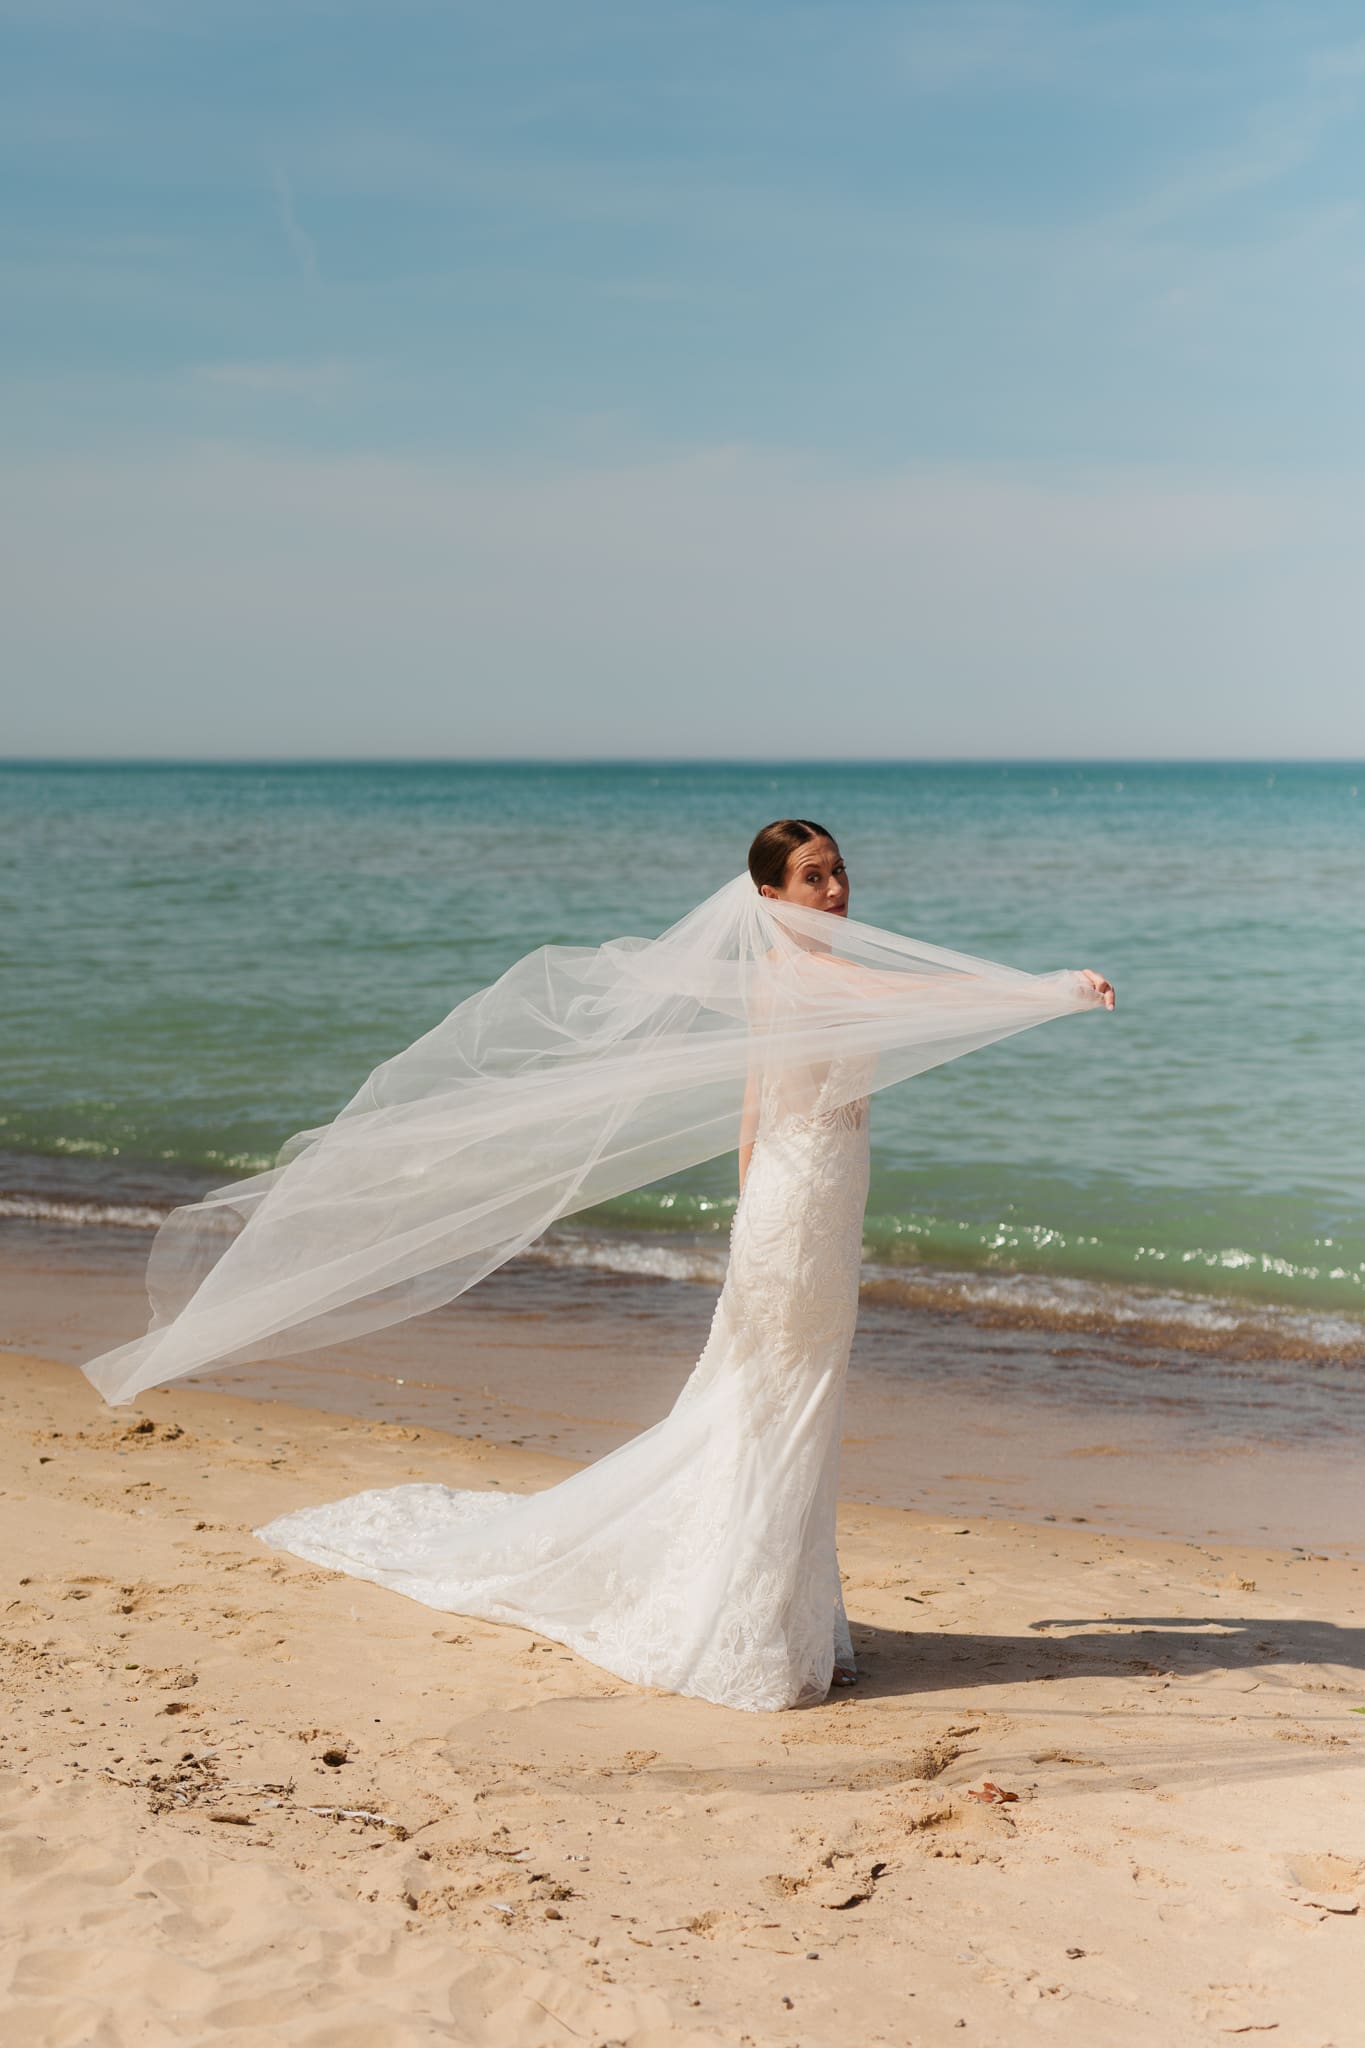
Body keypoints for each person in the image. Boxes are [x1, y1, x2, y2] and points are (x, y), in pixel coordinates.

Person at [231, 820, 1112, 1713]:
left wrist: (751, 1213)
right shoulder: (810, 972)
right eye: (813, 878)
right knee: (784, 1404)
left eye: (840, 870)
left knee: (780, 1401)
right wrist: (1050, 990)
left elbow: (752, 1102)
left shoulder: (773, 977)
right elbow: (920, 995)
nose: (837, 889)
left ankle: (796, 1621)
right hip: (801, 1210)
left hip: (797, 1203)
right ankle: (762, 1627)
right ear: (769, 897)